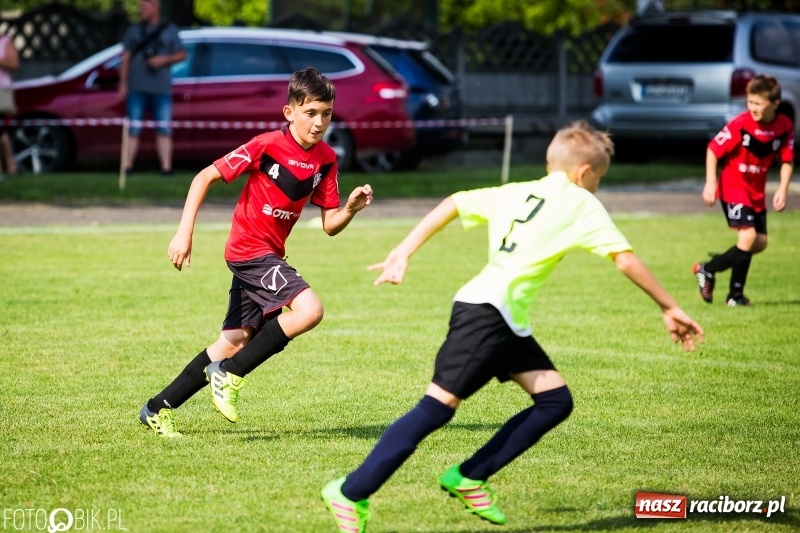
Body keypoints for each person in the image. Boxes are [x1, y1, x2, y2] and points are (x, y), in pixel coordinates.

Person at [321, 121, 704, 531]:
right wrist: (669, 306)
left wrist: (403, 250)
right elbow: (624, 258)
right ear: (584, 172)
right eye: (599, 180)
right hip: (487, 315)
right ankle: (351, 491)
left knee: (556, 400)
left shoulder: (517, 191)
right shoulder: (581, 201)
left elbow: (453, 201)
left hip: (503, 319)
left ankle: (470, 475)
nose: (597, 188)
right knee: (435, 408)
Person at [138, 67, 373, 437]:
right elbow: (204, 177)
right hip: (249, 250)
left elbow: (330, 225)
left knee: (234, 341)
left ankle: (156, 408)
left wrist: (351, 209)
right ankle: (229, 375)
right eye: (310, 113)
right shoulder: (266, 146)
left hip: (269, 254)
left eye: (325, 114)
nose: (319, 122)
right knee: (309, 310)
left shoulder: (326, 159)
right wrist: (185, 233)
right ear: (289, 112)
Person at [694, 74, 794, 307]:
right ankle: (734, 295)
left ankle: (709, 270)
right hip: (733, 188)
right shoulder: (741, 124)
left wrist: (782, 188)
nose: (753, 108)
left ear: (775, 104)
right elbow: (713, 149)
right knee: (747, 237)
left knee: (759, 242)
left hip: (756, 192)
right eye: (750, 102)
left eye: (758, 103)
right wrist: (710, 182)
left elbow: (787, 159)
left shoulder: (784, 127)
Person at [118, 0, 186, 176]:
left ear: (155, 6)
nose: (141, 9)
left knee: (164, 129)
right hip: (137, 88)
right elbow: (125, 58)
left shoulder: (170, 30)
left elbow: (182, 54)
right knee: (133, 129)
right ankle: (127, 168)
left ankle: (166, 169)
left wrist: (163, 60)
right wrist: (123, 83)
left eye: (144, 5)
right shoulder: (133, 31)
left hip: (161, 89)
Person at [0, 31, 19, 179]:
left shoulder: (5, 41)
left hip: (1, 90)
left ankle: (9, 164)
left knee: (2, 132)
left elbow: (14, 63)